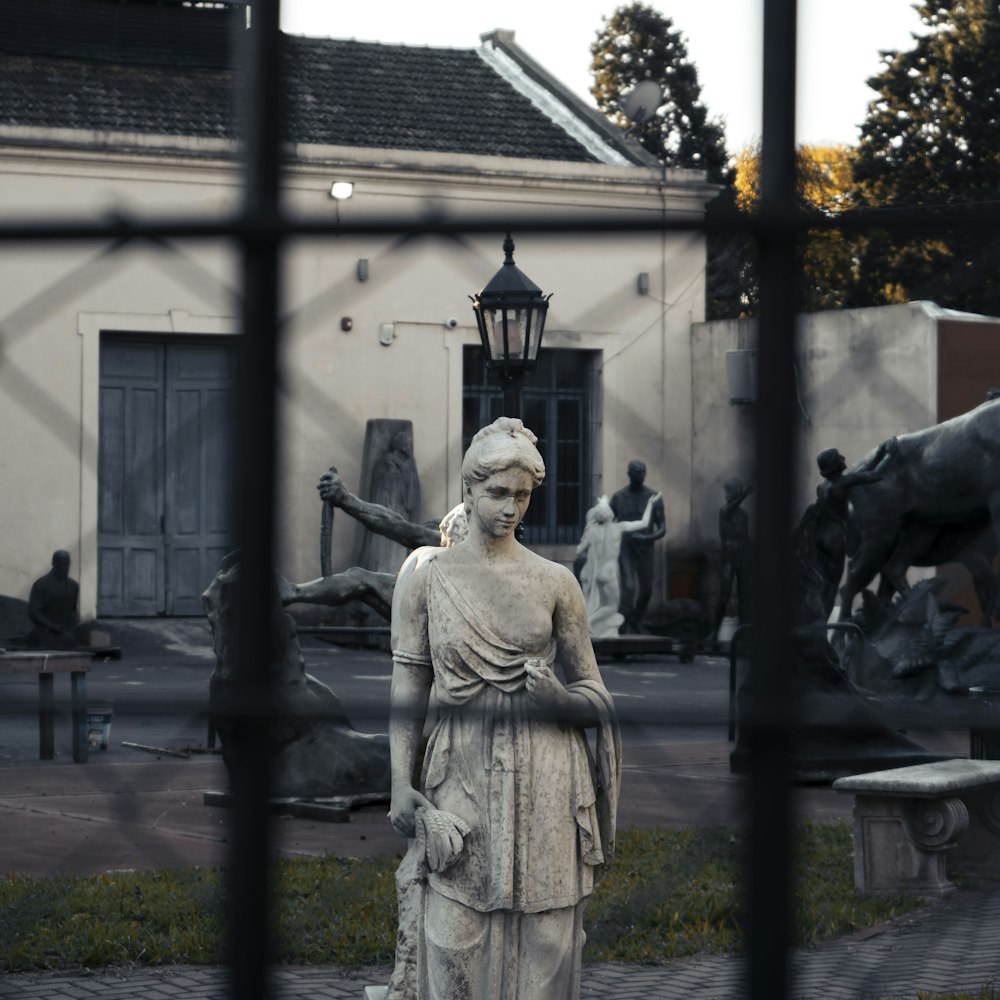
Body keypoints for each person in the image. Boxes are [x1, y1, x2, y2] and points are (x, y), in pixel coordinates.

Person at [386, 417, 620, 1000]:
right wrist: (397, 781)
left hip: (546, 771)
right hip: (460, 767)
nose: (511, 508)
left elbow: (594, 692)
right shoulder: (427, 575)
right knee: (453, 932)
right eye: (497, 494)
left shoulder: (555, 582)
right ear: (468, 490)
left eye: (522, 495)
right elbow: (408, 683)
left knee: (545, 934)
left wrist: (561, 700)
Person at [792, 441, 896, 626]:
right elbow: (874, 475)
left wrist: (879, 453)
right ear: (833, 465)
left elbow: (862, 473)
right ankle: (821, 630)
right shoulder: (843, 483)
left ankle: (816, 627)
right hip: (834, 539)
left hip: (821, 537)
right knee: (831, 589)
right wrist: (890, 456)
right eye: (838, 456)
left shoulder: (822, 487)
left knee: (822, 585)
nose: (843, 458)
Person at [574, 493, 662, 638]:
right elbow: (644, 523)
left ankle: (591, 625)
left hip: (595, 574)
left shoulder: (592, 532)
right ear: (609, 515)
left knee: (598, 604)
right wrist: (650, 504)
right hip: (608, 574)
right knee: (611, 607)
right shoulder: (618, 528)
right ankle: (590, 622)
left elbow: (579, 551)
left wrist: (587, 529)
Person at [609, 460, 666, 633]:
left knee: (647, 589)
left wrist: (646, 537)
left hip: (645, 547)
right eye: (637, 472)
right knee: (628, 586)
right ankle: (623, 623)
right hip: (625, 548)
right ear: (629, 474)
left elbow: (663, 528)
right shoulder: (618, 498)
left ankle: (636, 620)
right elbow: (607, 524)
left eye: (643, 472)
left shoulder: (654, 497)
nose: (641, 475)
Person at [714, 478, 753, 635]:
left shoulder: (744, 515)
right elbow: (730, 509)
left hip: (742, 558)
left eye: (729, 491)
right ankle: (714, 631)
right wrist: (745, 494)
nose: (726, 494)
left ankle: (743, 634)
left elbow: (745, 536)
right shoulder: (724, 511)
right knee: (724, 597)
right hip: (728, 559)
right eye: (727, 491)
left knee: (744, 599)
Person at [27, 550, 80, 649]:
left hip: (67, 634)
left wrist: (74, 626)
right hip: (44, 633)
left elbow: (73, 610)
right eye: (62, 563)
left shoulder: (73, 586)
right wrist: (52, 626)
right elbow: (34, 612)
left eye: (67, 564)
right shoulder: (41, 585)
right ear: (54, 563)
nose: (66, 567)